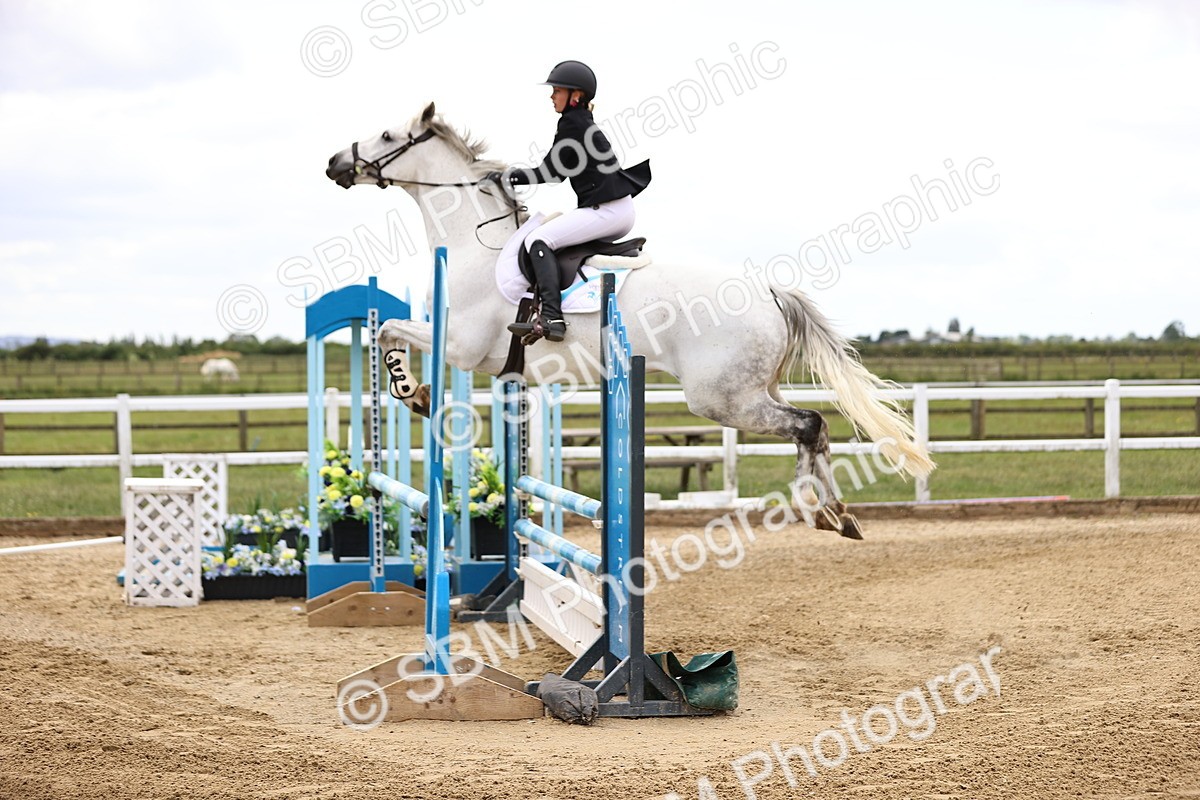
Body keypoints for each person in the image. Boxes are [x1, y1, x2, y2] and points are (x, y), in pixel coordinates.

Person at [487, 60, 650, 342]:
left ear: (576, 95)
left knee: (538, 241)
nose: (552, 96)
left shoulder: (572, 123)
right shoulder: (581, 123)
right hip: (616, 209)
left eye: (557, 91)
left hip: (608, 210)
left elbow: (550, 173)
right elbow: (559, 174)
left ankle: (552, 316)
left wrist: (508, 176)